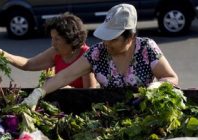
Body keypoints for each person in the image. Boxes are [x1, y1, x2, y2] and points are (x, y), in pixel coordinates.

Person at [23, 3, 179, 108]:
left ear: (130, 37)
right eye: (105, 38)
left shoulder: (146, 48)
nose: (107, 43)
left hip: (146, 114)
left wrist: (157, 86)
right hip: (110, 115)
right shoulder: (97, 53)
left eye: (113, 39)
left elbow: (171, 78)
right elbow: (64, 76)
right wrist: (38, 92)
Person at [0, 13, 97, 89]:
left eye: (57, 39)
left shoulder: (86, 56)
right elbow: (28, 64)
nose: (53, 44)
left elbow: (90, 91)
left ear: (70, 38)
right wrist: (4, 55)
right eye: (52, 38)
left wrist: (62, 86)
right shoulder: (56, 52)